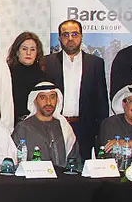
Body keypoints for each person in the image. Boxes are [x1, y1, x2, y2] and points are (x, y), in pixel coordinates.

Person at [43, 19, 109, 159]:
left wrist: (101, 130)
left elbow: (101, 99)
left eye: (75, 34)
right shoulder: (47, 62)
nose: (70, 39)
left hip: (85, 127)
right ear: (60, 38)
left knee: (83, 172)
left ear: (81, 36)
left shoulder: (95, 63)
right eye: (66, 35)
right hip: (55, 124)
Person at [11, 82, 79, 167]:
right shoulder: (24, 128)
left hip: (62, 179)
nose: (48, 102)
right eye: (43, 97)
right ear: (35, 100)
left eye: (52, 97)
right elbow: (14, 160)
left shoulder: (64, 127)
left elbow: (74, 160)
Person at [6, 32, 47, 124]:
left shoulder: (44, 77)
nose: (28, 53)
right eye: (24, 49)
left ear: (37, 52)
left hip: (38, 126)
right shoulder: (6, 74)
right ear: (17, 52)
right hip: (11, 124)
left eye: (32, 49)